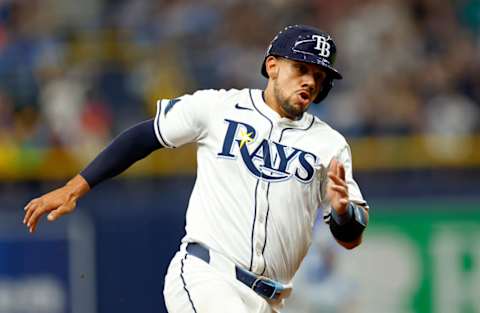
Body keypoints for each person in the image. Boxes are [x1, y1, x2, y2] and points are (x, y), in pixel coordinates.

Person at [23, 25, 369, 313]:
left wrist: (341, 213)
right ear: (273, 65)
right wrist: (75, 187)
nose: (310, 81)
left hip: (271, 301)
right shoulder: (218, 107)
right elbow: (144, 136)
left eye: (319, 75)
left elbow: (351, 237)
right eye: (301, 69)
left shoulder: (330, 145)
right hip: (209, 276)